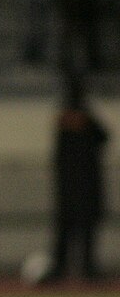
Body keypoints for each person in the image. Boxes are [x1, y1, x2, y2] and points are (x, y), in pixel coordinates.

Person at [44, 78, 109, 284]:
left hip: (83, 189)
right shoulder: (65, 126)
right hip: (73, 190)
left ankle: (85, 270)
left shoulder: (86, 124)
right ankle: (63, 269)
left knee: (84, 232)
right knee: (67, 233)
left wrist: (87, 121)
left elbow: (104, 137)